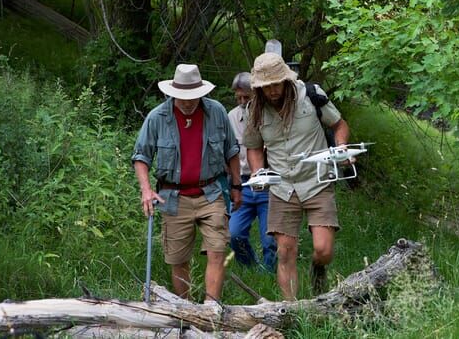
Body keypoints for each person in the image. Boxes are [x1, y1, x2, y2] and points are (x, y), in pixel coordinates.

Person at [132, 64, 242, 304]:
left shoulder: (217, 112)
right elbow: (141, 157)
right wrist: (146, 190)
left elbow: (232, 151)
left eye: (193, 97)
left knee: (217, 250)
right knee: (178, 259)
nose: (188, 102)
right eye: (182, 97)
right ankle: (187, 309)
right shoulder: (158, 117)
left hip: (211, 192)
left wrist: (236, 186)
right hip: (173, 197)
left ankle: (211, 308)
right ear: (173, 93)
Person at [244, 53, 350, 300]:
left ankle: (318, 269)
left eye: (276, 84)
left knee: (323, 250)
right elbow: (254, 147)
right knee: (285, 251)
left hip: (317, 180)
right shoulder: (255, 109)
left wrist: (341, 147)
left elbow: (339, 125)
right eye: (266, 86)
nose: (272, 91)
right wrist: (259, 171)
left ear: (286, 80)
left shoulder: (310, 95)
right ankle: (291, 310)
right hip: (282, 187)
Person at [228, 72, 277, 272]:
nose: (241, 102)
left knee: (270, 238)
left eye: (246, 97)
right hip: (243, 183)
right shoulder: (231, 117)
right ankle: (251, 268)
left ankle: (270, 274)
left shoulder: (270, 115)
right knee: (234, 234)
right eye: (238, 97)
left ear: (256, 95)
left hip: (268, 183)